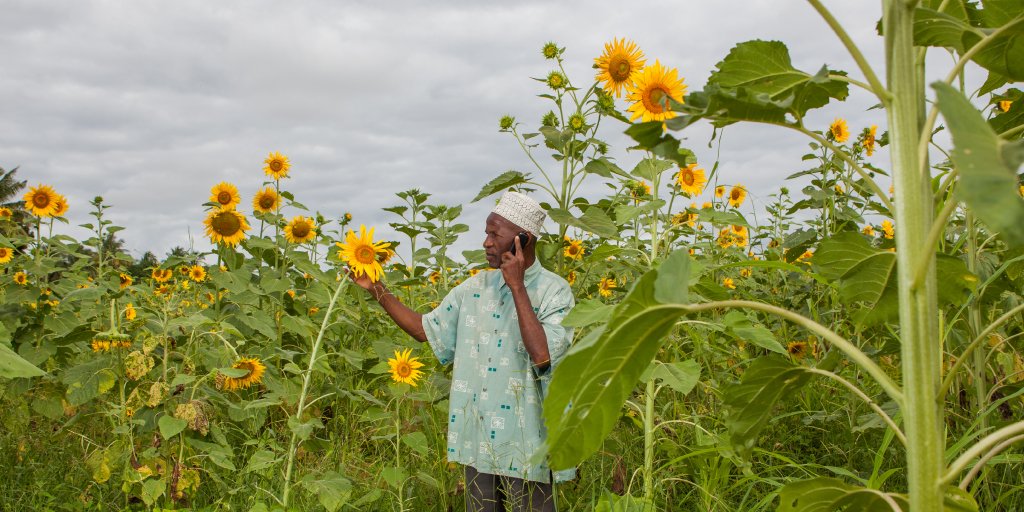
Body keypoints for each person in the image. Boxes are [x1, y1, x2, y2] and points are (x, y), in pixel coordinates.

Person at [349, 191, 575, 512]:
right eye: (486, 233)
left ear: (523, 239)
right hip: (477, 440)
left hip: (527, 443)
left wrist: (517, 286)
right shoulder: (474, 288)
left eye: (494, 234)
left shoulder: (555, 292)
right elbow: (425, 329)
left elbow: (542, 355)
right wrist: (376, 288)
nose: (486, 242)